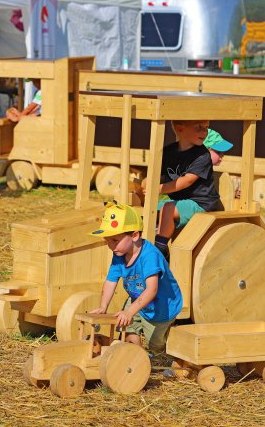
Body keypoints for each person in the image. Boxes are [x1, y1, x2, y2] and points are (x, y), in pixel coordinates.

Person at [89, 202, 183, 358]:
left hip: (161, 307)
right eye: (107, 241)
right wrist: (103, 306)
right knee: (127, 328)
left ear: (134, 235)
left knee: (155, 345)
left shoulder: (149, 256)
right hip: (136, 299)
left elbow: (152, 290)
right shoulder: (119, 254)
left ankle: (163, 357)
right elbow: (111, 281)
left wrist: (129, 311)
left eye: (114, 240)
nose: (110, 246)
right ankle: (137, 357)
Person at [150, 120, 221, 260]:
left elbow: (187, 181)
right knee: (151, 208)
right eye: (199, 127)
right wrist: (148, 183)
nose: (204, 132)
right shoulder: (169, 151)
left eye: (206, 128)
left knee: (168, 208)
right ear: (180, 128)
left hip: (202, 204)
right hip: (179, 201)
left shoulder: (202, 155)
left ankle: (161, 248)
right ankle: (147, 239)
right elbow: (157, 173)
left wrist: (159, 189)